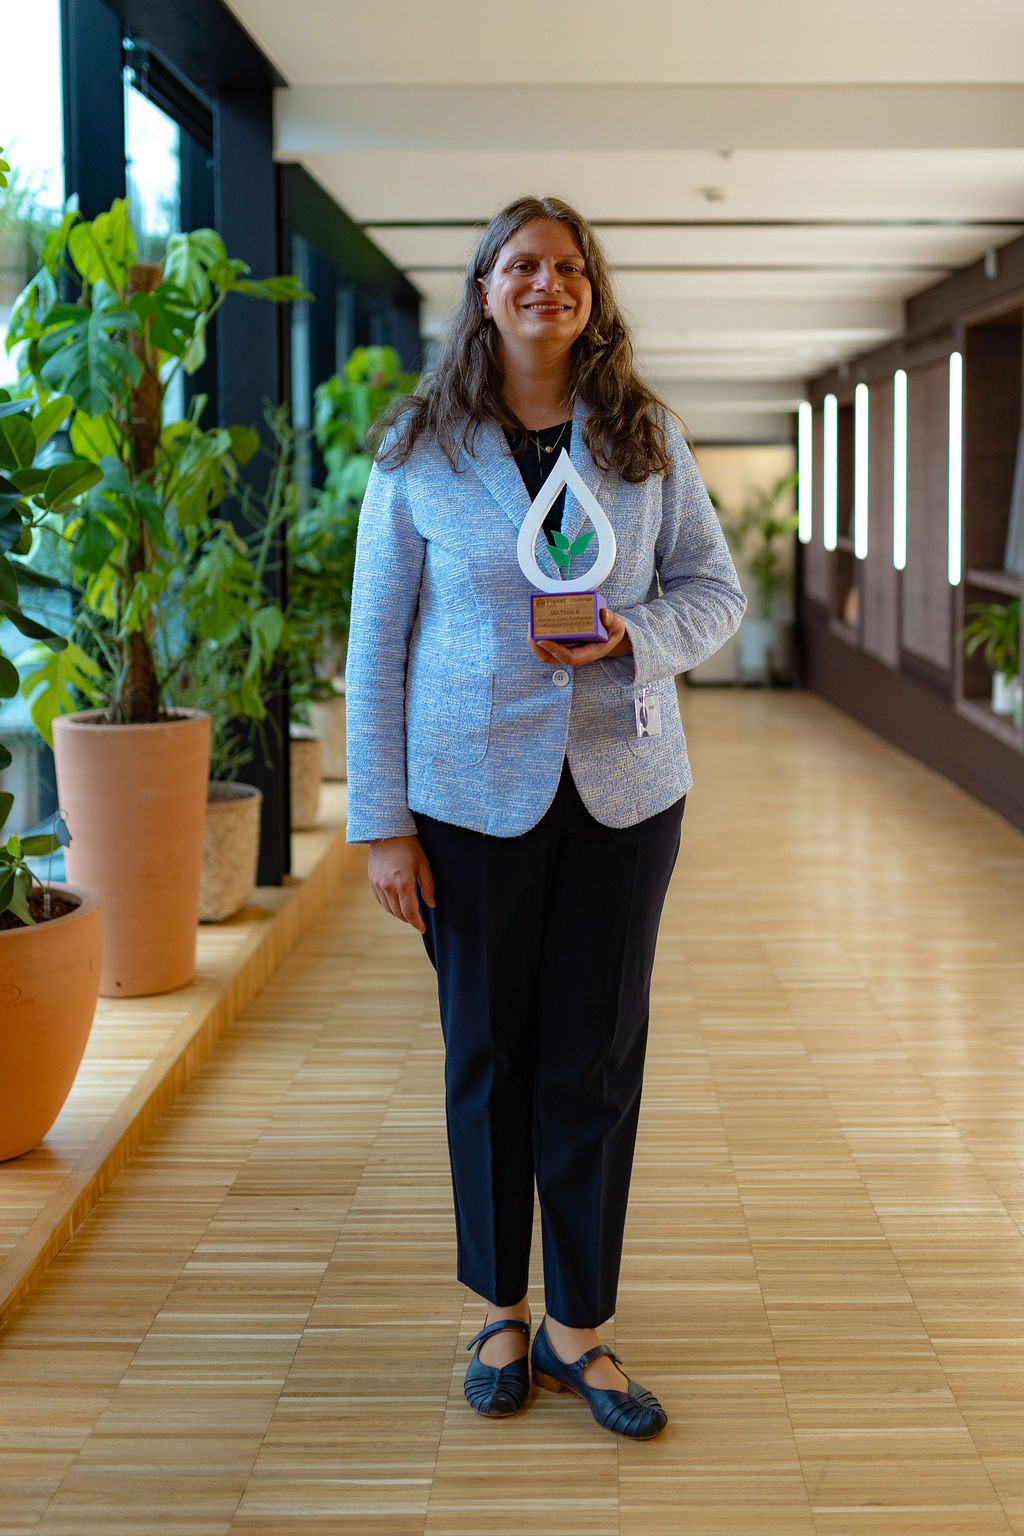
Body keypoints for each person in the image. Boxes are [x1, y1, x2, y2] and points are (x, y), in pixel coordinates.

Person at [345, 195, 745, 1440]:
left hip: (624, 794)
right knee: (486, 1055)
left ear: (591, 293)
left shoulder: (642, 437)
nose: (546, 284)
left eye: (568, 268)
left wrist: (636, 631)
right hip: (463, 799)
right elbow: (376, 643)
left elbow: (713, 590)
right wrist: (381, 824)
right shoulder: (419, 445)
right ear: (484, 288)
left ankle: (577, 1321)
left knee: (593, 1059)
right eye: (521, 265)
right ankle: (497, 1309)